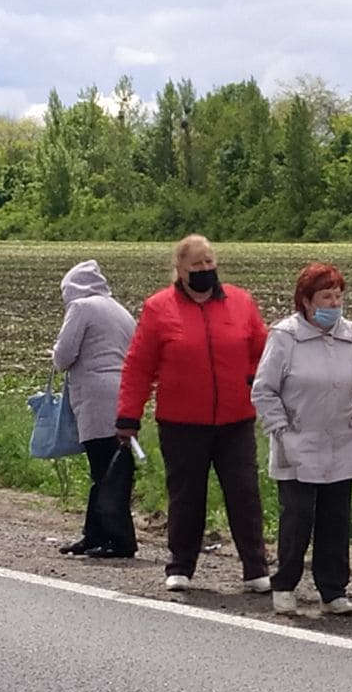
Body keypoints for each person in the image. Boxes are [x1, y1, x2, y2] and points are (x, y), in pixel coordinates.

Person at [116, 234, 271, 594]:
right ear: (180, 270)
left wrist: (252, 380)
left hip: (235, 419)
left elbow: (263, 350)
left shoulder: (241, 302)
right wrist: (128, 416)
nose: (205, 269)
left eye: (209, 262)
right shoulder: (158, 308)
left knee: (245, 493)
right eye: (196, 265)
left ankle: (255, 567)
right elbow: (139, 366)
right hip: (182, 422)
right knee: (186, 496)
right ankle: (181, 565)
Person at [252, 262, 352, 618]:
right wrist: (281, 430)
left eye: (337, 296)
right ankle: (285, 583)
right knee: (298, 516)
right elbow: (264, 390)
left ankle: (333, 589)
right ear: (305, 300)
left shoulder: (351, 334)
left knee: (336, 517)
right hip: (297, 442)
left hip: (342, 440)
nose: (333, 304)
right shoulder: (285, 336)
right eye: (325, 297)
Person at [52, 260, 138, 559]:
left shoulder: (81, 308)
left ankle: (118, 539)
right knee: (113, 467)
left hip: (95, 397)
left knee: (103, 470)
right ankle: (94, 534)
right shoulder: (120, 311)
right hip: (123, 396)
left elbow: (63, 356)